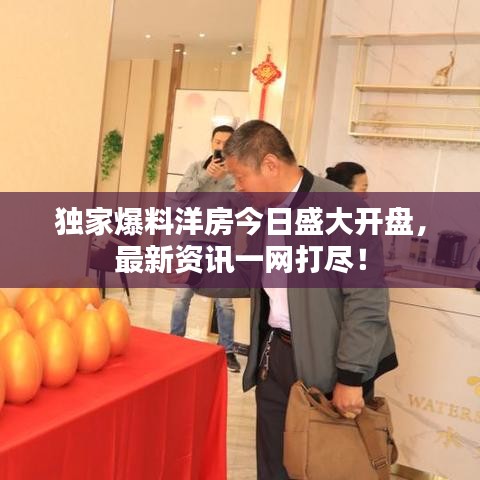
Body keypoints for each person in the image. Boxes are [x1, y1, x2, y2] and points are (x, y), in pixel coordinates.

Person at [172, 120, 398, 479]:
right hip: (275, 355)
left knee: (324, 466)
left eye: (241, 177)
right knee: (273, 462)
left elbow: (367, 301)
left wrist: (351, 376)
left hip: (329, 360)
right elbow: (252, 277)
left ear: (270, 165)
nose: (238, 187)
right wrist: (195, 272)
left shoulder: (342, 209)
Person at [170, 124, 241, 373]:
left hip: (222, 245)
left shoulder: (238, 173)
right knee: (181, 297)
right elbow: (180, 196)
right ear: (211, 143)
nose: (221, 146)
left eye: (226, 143)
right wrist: (204, 176)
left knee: (225, 303)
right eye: (217, 141)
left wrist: (226, 179)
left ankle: (227, 350)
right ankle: (174, 342)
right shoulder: (195, 167)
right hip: (191, 241)